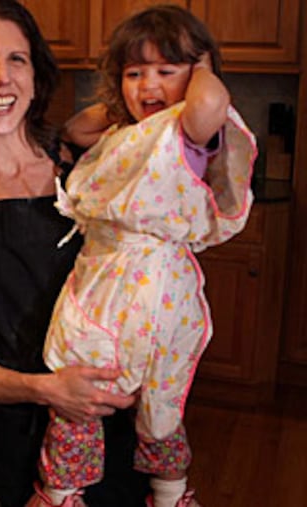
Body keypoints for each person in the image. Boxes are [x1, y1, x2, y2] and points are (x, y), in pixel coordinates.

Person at [0, 1, 150, 505]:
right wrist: (47, 389)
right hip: (8, 437)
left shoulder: (84, 165)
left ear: (35, 76)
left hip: (107, 419)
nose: (2, 78)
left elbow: (181, 110)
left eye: (16, 60)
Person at [29, 5, 257, 507]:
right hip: (102, 280)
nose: (147, 83)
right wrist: (127, 102)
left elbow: (210, 101)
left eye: (165, 69)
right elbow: (76, 129)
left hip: (156, 284)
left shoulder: (188, 132)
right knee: (80, 389)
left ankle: (170, 493)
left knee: (163, 401)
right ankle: (63, 492)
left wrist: (197, 72)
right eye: (134, 72)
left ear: (198, 72)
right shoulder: (126, 134)